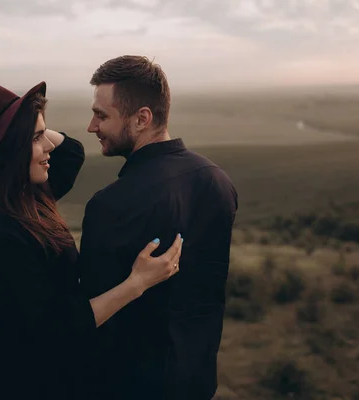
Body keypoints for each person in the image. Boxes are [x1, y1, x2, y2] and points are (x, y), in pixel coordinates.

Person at [0, 80, 183, 400]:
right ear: (8, 151)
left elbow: (71, 152)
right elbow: (57, 329)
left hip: (54, 378)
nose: (48, 145)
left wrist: (29, 119)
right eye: (36, 139)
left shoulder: (28, 197)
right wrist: (138, 282)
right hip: (24, 386)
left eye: (43, 135)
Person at [78, 55, 239, 399]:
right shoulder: (217, 181)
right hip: (197, 381)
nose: (92, 127)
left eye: (101, 116)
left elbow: (89, 318)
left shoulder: (109, 206)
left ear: (142, 119)